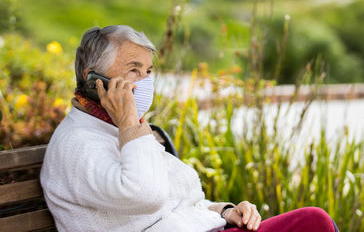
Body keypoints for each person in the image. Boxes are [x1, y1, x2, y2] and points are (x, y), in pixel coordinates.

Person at [40, 25, 339, 232]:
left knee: (313, 222)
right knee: (315, 223)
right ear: (93, 78)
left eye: (148, 71)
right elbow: (147, 195)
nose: (144, 81)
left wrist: (224, 211)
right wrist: (130, 123)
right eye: (133, 69)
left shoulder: (116, 128)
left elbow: (175, 203)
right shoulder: (77, 144)